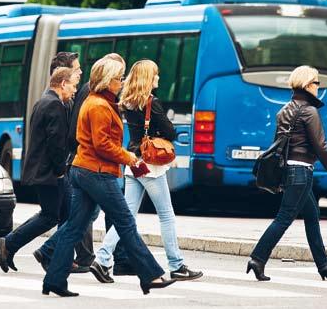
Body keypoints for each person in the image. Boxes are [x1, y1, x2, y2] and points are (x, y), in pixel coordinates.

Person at [41, 56, 179, 296]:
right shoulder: (99, 106)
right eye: (118, 78)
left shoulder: (99, 102)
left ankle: (54, 280)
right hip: (97, 172)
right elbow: (103, 144)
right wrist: (130, 158)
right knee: (125, 222)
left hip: (86, 170)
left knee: (75, 227)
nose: (122, 82)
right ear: (106, 81)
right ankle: (151, 274)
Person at [90, 60, 203, 283]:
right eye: (155, 75)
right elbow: (169, 131)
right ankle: (176, 265)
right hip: (151, 166)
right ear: (147, 78)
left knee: (127, 216)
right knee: (166, 215)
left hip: (133, 162)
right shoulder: (152, 102)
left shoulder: (128, 103)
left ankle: (102, 259)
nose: (158, 79)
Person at [247, 66, 327, 282]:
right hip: (302, 171)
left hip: (291, 170)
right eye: (317, 83)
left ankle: (324, 265)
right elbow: (321, 146)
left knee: (312, 216)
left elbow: (278, 146)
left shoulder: (285, 110)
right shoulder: (309, 111)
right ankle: (258, 258)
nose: (318, 87)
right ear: (308, 84)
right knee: (284, 218)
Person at [34, 53, 128, 273]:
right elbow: (88, 135)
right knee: (115, 215)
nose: (121, 82)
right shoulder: (92, 95)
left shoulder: (97, 94)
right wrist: (125, 156)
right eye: (119, 76)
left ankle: (55, 254)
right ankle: (120, 261)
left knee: (85, 215)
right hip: (92, 165)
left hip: (94, 165)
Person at [0, 66, 78, 273]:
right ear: (63, 83)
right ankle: (10, 244)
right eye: (73, 86)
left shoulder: (44, 101)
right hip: (50, 172)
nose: (75, 90)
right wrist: (60, 169)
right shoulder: (54, 105)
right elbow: (55, 144)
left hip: (45, 171)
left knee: (65, 213)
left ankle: (47, 254)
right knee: (51, 216)